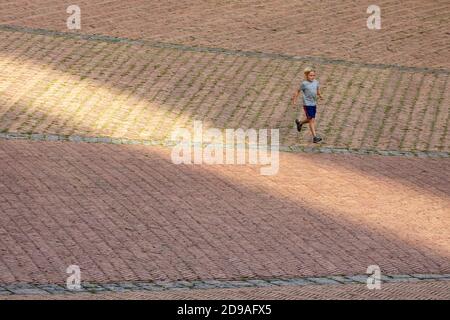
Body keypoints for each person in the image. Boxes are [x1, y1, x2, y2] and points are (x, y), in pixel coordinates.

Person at [291, 67, 323, 143]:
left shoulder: (316, 82)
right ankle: (315, 137)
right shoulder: (304, 84)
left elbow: (317, 90)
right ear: (306, 75)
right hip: (307, 104)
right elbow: (297, 91)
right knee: (311, 120)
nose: (312, 77)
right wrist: (294, 101)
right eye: (310, 75)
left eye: (313, 75)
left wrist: (320, 95)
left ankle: (300, 123)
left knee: (310, 119)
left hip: (313, 103)